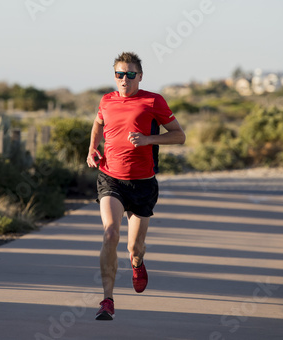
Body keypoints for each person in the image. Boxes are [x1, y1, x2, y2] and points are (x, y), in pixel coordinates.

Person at [87, 52, 186, 320]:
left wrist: (148, 139)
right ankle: (107, 300)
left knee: (134, 247)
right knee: (110, 234)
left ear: (140, 76)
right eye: (120, 74)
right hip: (111, 178)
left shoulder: (153, 101)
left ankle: (137, 263)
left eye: (131, 74)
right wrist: (92, 148)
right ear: (114, 76)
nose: (124, 79)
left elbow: (179, 136)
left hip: (143, 183)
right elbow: (98, 122)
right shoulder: (106, 100)